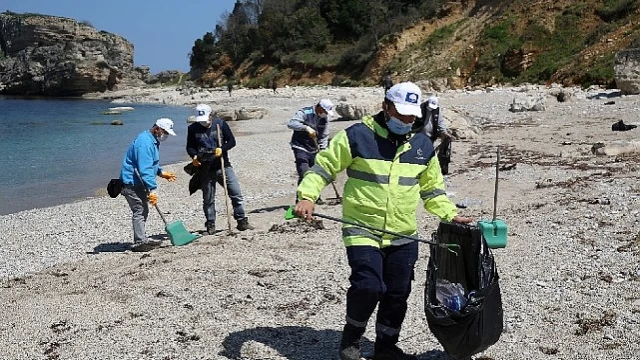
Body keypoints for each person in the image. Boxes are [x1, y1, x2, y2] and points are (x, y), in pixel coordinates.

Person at [294, 82, 473, 360]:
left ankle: (386, 347)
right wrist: (307, 196)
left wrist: (450, 214)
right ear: (385, 106)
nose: (407, 120)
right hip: (363, 228)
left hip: (404, 233)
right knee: (369, 286)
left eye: (411, 115)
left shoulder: (422, 144)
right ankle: (351, 341)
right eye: (401, 114)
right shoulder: (357, 136)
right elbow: (324, 167)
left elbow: (433, 190)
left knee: (397, 293)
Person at [187, 104, 254, 235]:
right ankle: (210, 223)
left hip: (223, 165)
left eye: (205, 119)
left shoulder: (220, 124)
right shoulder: (193, 129)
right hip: (205, 168)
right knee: (208, 199)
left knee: (236, 193)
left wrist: (222, 149)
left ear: (211, 115)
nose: (203, 122)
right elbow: (190, 147)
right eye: (200, 120)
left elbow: (232, 141)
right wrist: (194, 156)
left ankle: (241, 221)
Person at [120, 118, 177, 252]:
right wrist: (153, 189)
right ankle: (139, 242)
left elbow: (150, 163)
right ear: (157, 129)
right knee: (139, 210)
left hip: (139, 181)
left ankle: (142, 238)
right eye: (165, 132)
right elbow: (144, 168)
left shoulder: (152, 140)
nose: (166, 136)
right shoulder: (144, 142)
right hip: (131, 182)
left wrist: (161, 172)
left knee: (143, 209)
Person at [287, 99, 336, 204]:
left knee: (316, 173)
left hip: (314, 148)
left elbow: (324, 136)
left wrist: (323, 150)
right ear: (319, 108)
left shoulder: (325, 118)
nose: (325, 114)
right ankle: (301, 199)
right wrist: (305, 128)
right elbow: (291, 123)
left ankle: (315, 196)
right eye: (325, 111)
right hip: (300, 146)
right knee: (304, 172)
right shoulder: (305, 112)